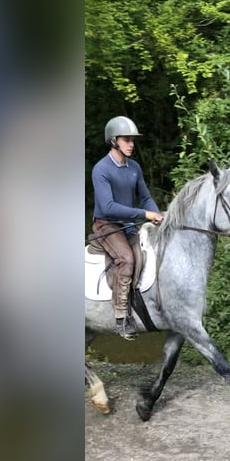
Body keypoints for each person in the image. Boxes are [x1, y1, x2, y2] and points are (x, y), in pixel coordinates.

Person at [91, 116, 164, 340]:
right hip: (107, 225)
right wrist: (144, 214)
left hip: (129, 224)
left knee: (150, 254)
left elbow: (145, 197)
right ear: (113, 141)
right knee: (127, 259)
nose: (131, 144)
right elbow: (109, 207)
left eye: (133, 140)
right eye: (126, 140)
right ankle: (121, 317)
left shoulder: (134, 168)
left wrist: (157, 215)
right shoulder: (101, 169)